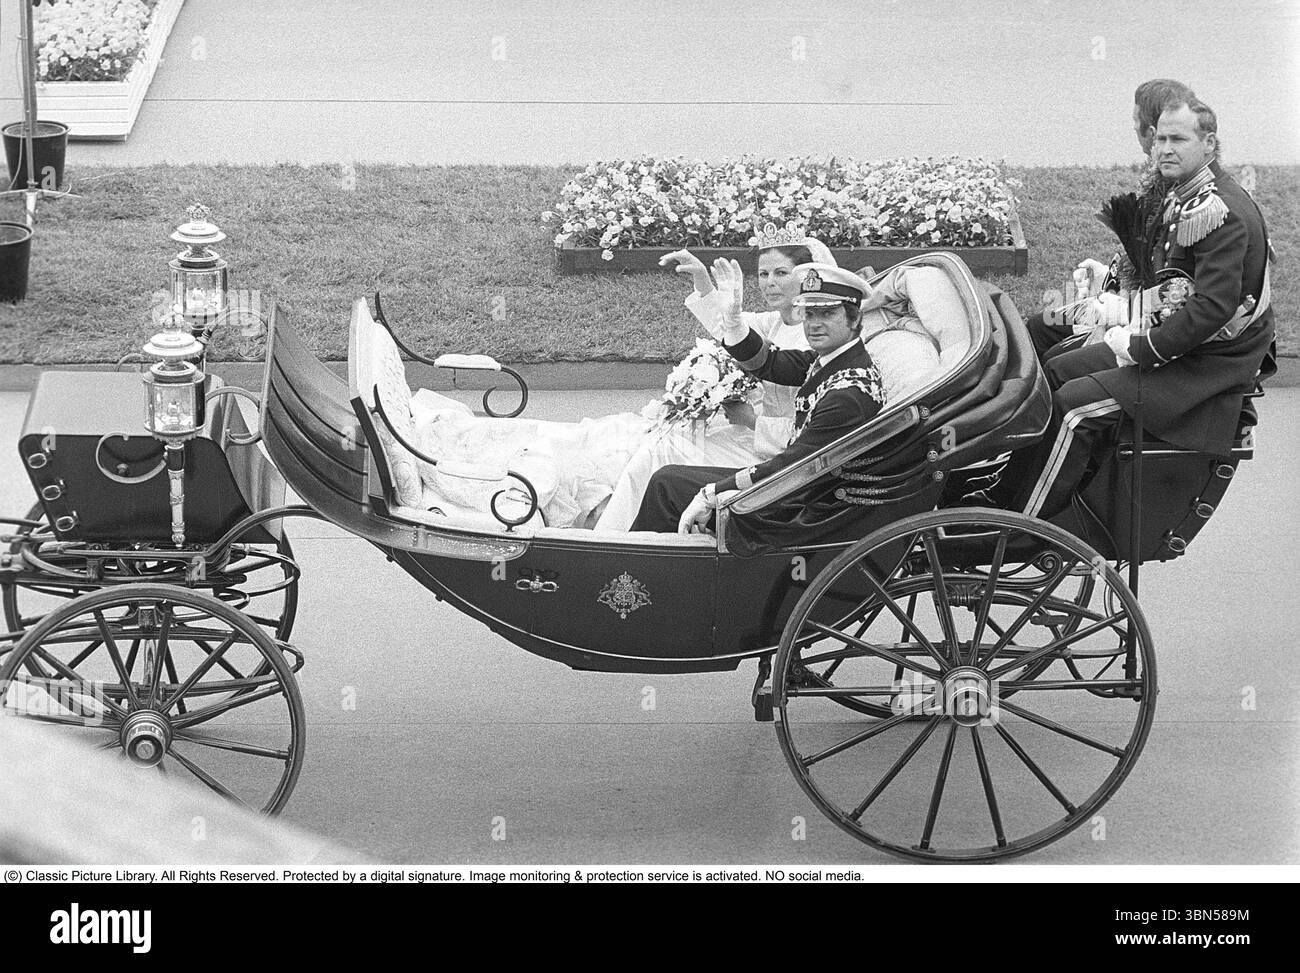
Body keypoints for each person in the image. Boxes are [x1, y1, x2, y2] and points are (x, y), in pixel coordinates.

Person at [994, 97, 1276, 520]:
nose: (1164, 148)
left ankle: (1023, 519)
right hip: (1179, 343)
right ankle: (1009, 490)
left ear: (1209, 143)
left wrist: (1141, 348)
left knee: (1074, 407)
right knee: (1056, 370)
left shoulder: (1222, 211)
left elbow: (1212, 309)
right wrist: (1120, 302)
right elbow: (1174, 287)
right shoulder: (1191, 194)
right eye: (1160, 137)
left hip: (1206, 366)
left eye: (1177, 139)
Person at [593, 225, 830, 530]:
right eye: (763, 274)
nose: (770, 283)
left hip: (777, 451)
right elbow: (732, 328)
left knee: (661, 452)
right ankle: (616, 534)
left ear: (806, 276)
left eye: (781, 273)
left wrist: (750, 420)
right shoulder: (778, 320)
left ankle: (619, 541)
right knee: (663, 441)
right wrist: (704, 284)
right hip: (757, 435)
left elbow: (811, 431)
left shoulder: (815, 337)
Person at [630, 264, 885, 534]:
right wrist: (733, 321)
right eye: (809, 314)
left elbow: (794, 465)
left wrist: (714, 492)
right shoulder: (834, 360)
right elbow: (768, 362)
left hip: (803, 508)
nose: (815, 324)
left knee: (667, 487)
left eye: (828, 313)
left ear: (855, 319)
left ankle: (634, 572)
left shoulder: (847, 393)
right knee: (667, 479)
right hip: (802, 487)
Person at [1028, 79, 1197, 360]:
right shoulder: (1160, 184)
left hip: (1150, 329)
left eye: (1135, 121)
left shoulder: (1185, 201)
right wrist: (1109, 278)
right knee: (1040, 326)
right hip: (1131, 306)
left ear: (1152, 132)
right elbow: (1146, 265)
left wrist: (1123, 308)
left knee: (1056, 361)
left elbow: (1181, 289)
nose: (1132, 128)